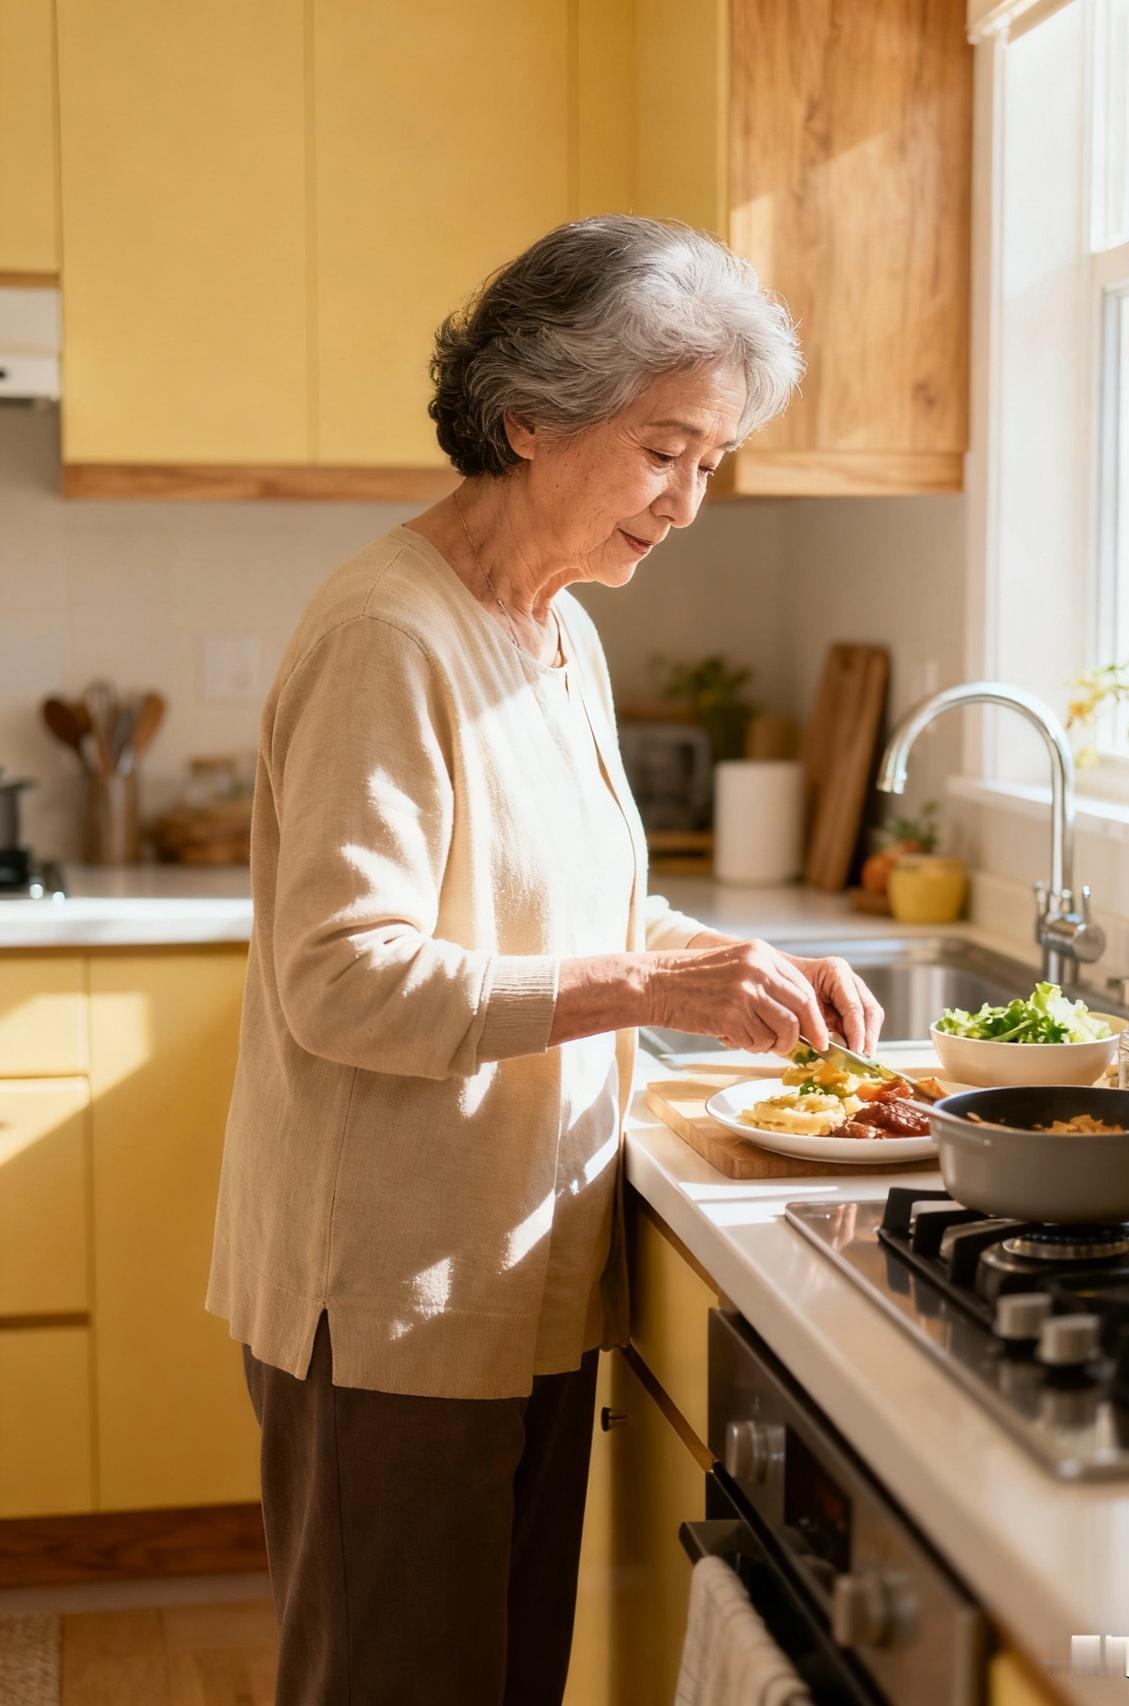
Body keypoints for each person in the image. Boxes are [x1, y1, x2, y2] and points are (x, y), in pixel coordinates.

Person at [206, 214, 884, 1706]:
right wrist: (652, 992)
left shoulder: (558, 629)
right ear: (530, 416)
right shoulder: (389, 633)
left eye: (710, 460)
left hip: (515, 1273)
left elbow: (585, 910)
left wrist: (722, 959)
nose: (690, 500)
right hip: (390, 1294)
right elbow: (343, 977)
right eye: (664, 451)